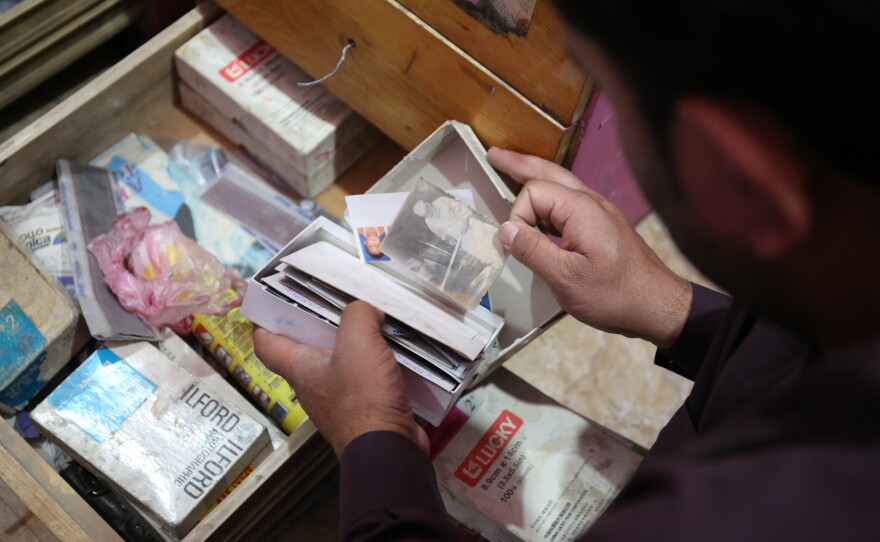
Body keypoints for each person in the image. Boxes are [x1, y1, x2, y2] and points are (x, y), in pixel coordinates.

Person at [254, 0, 880, 540]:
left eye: (610, 91)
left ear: (737, 170)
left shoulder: (740, 517)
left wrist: (375, 436)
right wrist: (676, 310)